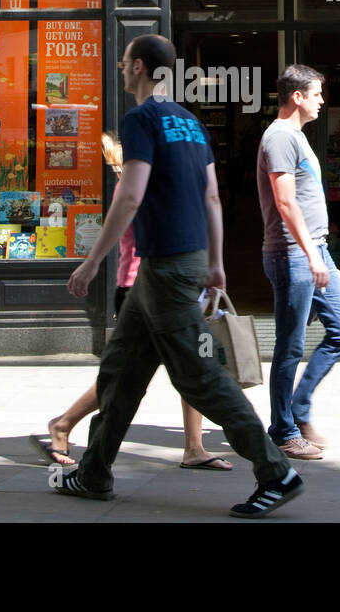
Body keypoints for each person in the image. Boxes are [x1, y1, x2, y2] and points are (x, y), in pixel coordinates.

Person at [56, 34, 302, 518]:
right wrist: (216, 262)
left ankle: (276, 472)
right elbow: (212, 196)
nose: (121, 69)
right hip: (174, 263)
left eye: (125, 62)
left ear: (141, 68)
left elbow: (130, 195)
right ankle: (93, 474)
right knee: (121, 370)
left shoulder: (140, 119)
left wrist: (92, 261)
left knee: (200, 376)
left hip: (167, 267)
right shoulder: (189, 122)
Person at [39, 131, 232, 472]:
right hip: (141, 291)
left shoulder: (153, 184)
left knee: (191, 366)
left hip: (170, 290)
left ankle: (194, 446)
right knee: (132, 373)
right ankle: (65, 425)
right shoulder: (135, 189)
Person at [257, 64, 340, 459]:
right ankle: (283, 430)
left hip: (314, 250)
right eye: (316, 94)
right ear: (296, 97)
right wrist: (311, 253)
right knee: (290, 345)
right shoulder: (280, 137)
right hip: (293, 254)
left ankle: (298, 410)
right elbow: (284, 201)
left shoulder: (294, 136)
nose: (321, 101)